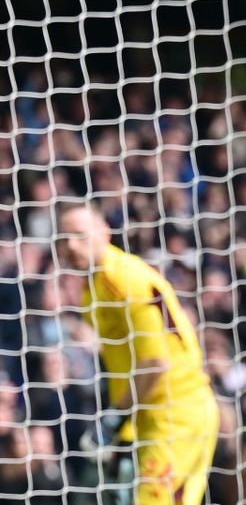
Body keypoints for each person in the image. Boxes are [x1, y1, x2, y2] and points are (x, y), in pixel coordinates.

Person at [55, 204, 218, 505]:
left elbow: (155, 364)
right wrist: (125, 434)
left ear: (104, 231)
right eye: (63, 239)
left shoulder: (126, 280)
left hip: (176, 413)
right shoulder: (94, 286)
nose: (71, 246)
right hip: (153, 416)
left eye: (79, 235)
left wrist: (113, 421)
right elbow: (126, 362)